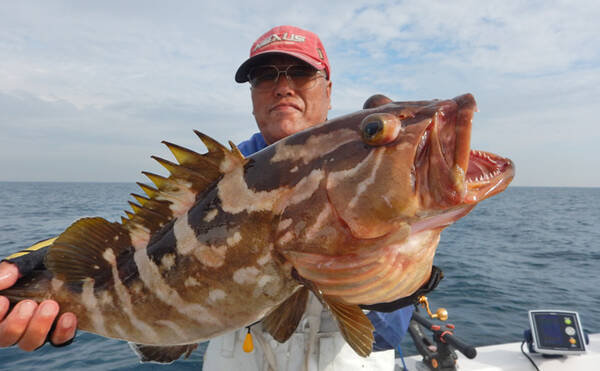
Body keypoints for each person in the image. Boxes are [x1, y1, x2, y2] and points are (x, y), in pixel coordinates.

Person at [0, 25, 413, 369]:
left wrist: (393, 276)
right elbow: (137, 246)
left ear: (328, 88)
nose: (282, 86)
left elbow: (386, 334)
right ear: (252, 95)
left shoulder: (365, 174)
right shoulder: (210, 183)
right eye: (265, 76)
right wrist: (39, 269)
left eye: (299, 73)